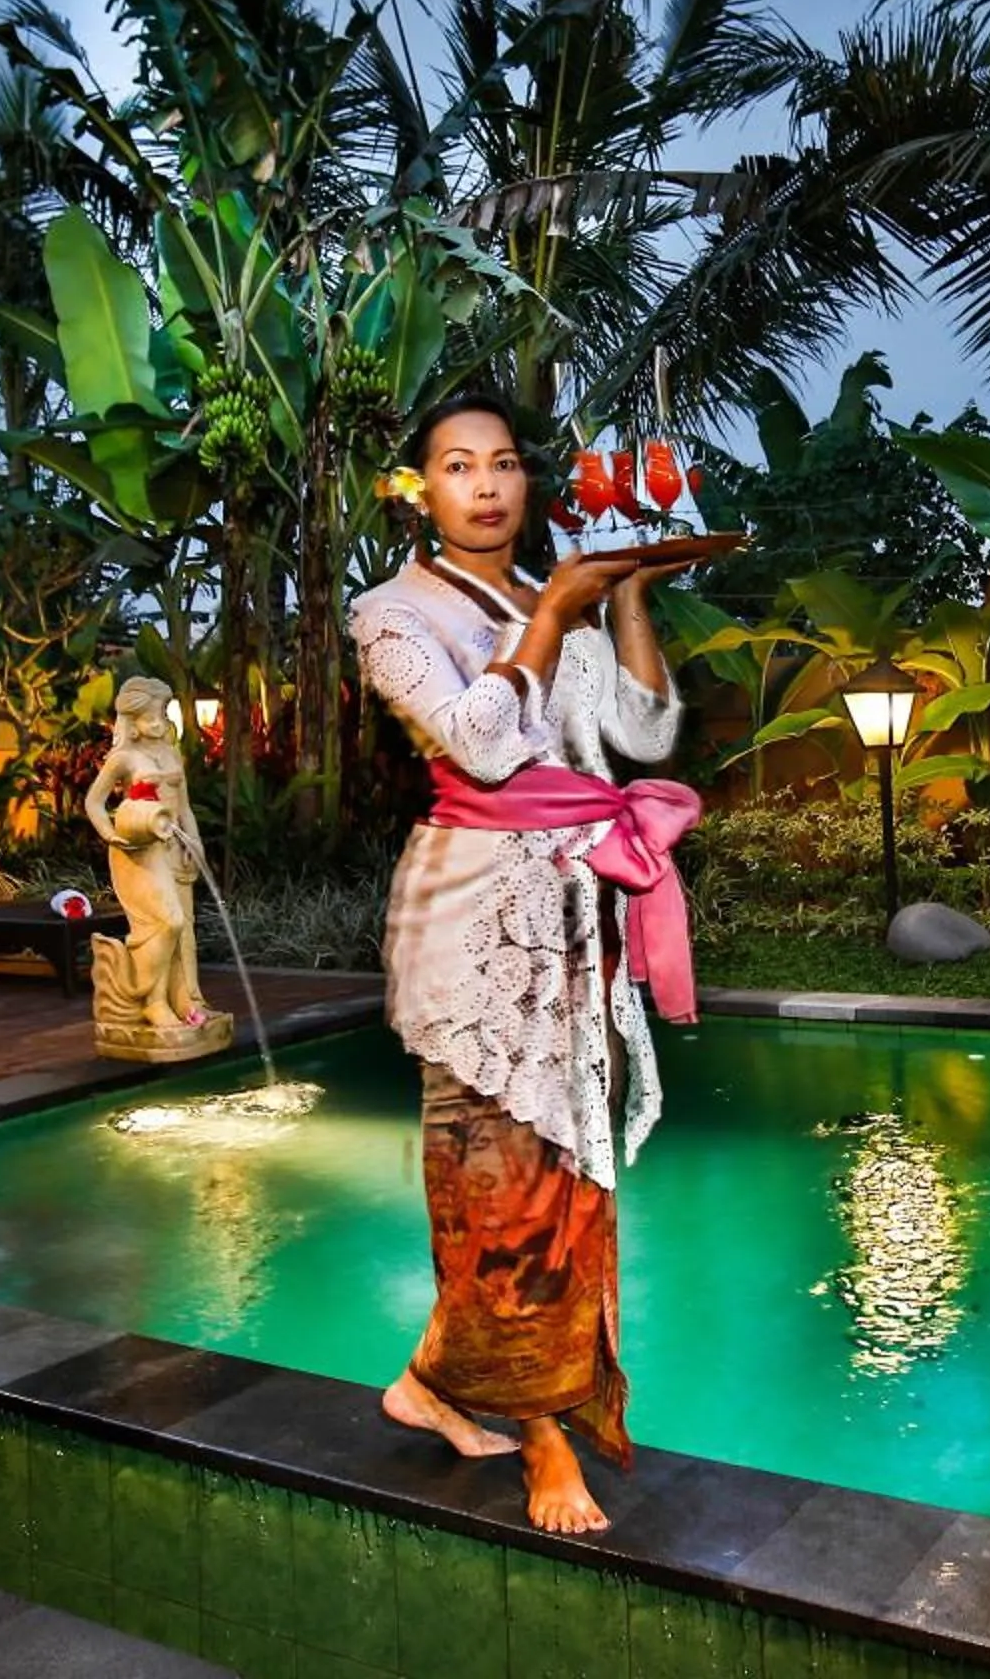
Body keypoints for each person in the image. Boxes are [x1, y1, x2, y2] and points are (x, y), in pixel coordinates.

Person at [348, 391, 701, 1536]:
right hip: (471, 921)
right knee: (499, 1182)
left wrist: (631, 592)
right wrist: (555, 608)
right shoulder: (390, 611)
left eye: (503, 462)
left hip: (574, 912)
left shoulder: (545, 593)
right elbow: (486, 743)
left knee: (565, 1176)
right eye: (459, 465)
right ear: (424, 487)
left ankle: (429, 1378)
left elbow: (645, 733)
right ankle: (544, 1436)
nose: (488, 484)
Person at [80, 676, 211, 1029]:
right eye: (150, 717)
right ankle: (153, 1002)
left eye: (162, 715)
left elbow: (184, 808)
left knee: (185, 930)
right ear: (132, 722)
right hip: (140, 849)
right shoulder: (124, 757)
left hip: (175, 846)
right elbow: (93, 802)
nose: (158, 723)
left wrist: (194, 843)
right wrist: (110, 834)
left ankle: (186, 1001)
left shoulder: (170, 751)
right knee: (164, 923)